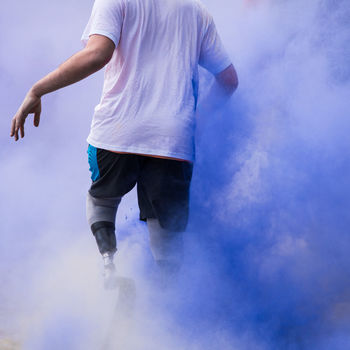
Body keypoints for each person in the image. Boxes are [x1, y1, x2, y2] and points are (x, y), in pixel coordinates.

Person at [10, 0, 238, 289]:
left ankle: (109, 268)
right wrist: (195, 125)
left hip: (117, 131)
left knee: (102, 199)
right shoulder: (196, 11)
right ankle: (164, 305)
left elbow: (96, 55)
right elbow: (228, 80)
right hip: (174, 139)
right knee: (166, 231)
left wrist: (37, 89)